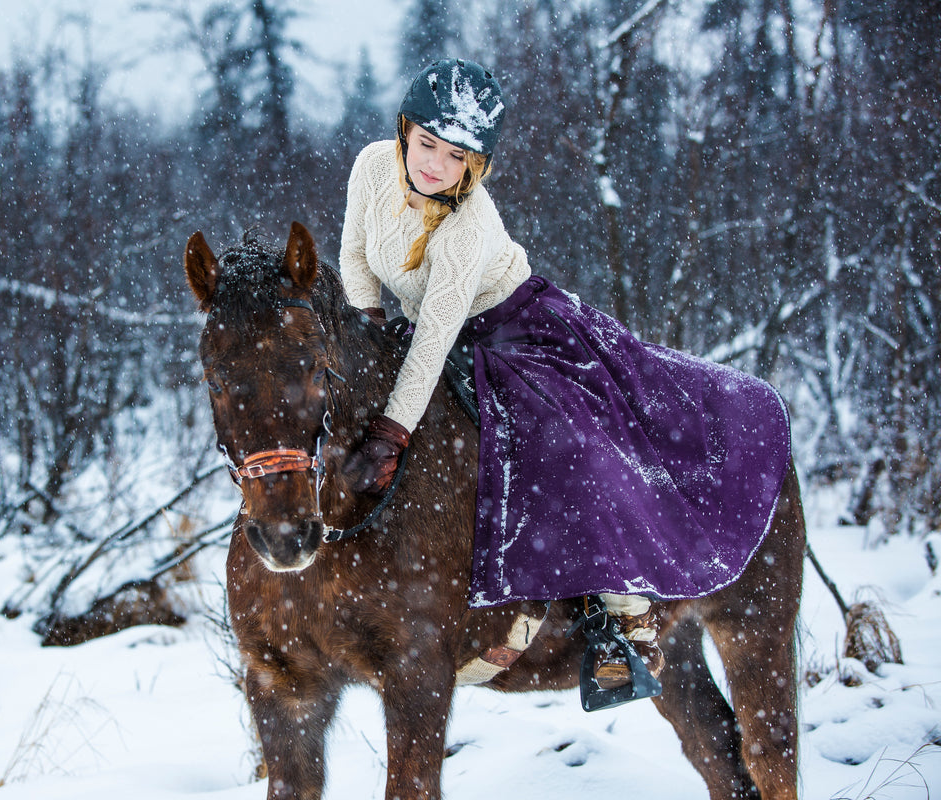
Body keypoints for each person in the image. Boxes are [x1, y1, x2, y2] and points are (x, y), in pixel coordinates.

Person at [338, 59, 792, 693]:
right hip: (417, 329)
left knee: (571, 441)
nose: (433, 164)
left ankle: (622, 616)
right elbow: (355, 258)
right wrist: (364, 326)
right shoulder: (369, 167)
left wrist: (390, 433)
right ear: (404, 133)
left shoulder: (468, 229)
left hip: (514, 327)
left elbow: (437, 341)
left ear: (477, 166)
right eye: (426, 144)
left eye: (455, 155)